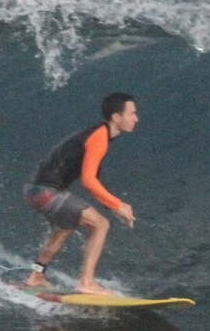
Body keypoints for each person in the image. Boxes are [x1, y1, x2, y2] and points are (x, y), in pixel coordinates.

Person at [21, 92, 139, 292]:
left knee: (64, 228)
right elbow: (88, 181)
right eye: (132, 113)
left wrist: (113, 206)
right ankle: (87, 283)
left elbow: (94, 182)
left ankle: (35, 275)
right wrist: (117, 204)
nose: (136, 118)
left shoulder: (98, 135)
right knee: (100, 225)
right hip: (47, 191)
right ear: (116, 117)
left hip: (34, 191)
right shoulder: (99, 137)